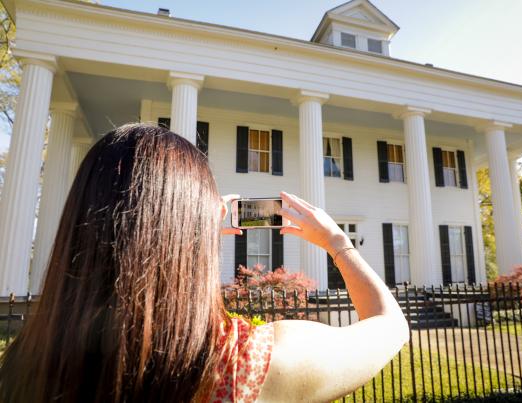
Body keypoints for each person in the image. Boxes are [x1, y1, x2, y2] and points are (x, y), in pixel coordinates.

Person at [0, 124, 409, 402]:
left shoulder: (21, 365)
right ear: (194, 232)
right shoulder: (244, 364)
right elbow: (390, 327)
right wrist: (337, 242)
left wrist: (183, 232)